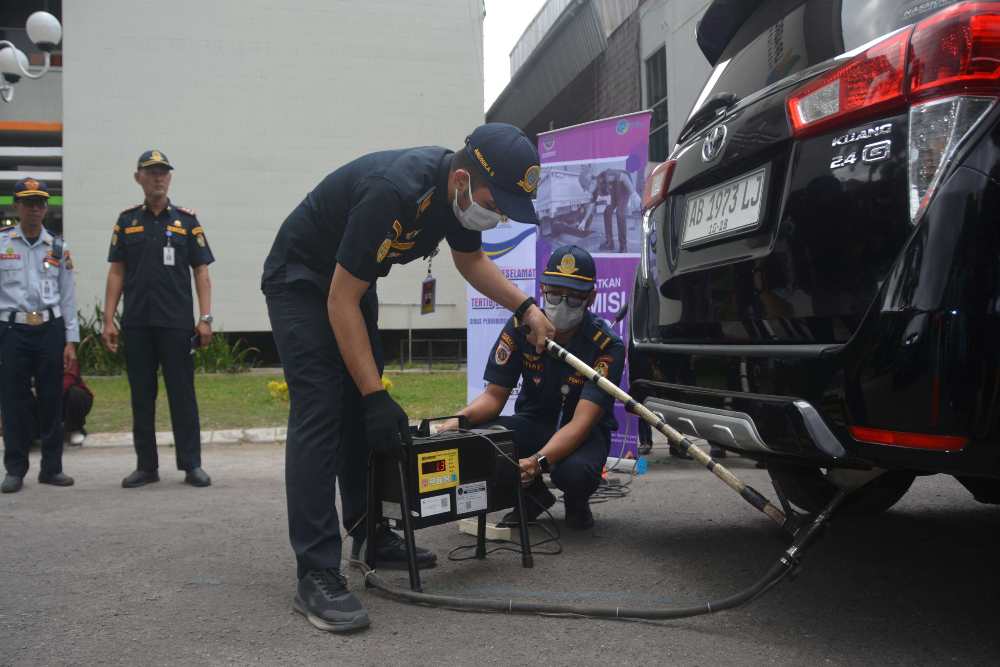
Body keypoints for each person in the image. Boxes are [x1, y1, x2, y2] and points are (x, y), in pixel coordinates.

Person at [261, 123, 556, 633]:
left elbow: (470, 259)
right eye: (499, 199)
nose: (501, 211)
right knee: (324, 406)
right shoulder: (393, 190)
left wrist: (525, 306)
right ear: (464, 176)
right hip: (302, 279)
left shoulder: (458, 196)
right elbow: (338, 300)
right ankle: (315, 572)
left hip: (351, 283)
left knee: (363, 402)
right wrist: (375, 395)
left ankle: (368, 532)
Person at [442, 245, 624, 530]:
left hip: (582, 434)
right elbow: (493, 396)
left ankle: (577, 502)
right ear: (542, 289)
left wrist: (538, 462)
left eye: (575, 296)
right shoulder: (520, 327)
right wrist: (457, 421)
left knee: (572, 473)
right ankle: (533, 497)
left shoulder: (606, 346)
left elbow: (581, 422)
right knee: (481, 441)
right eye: (554, 293)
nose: (562, 303)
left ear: (591, 298)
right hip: (534, 423)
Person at [101, 150, 214, 489]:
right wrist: (109, 320)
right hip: (137, 324)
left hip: (176, 323)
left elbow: (202, 272)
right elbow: (116, 273)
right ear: (139, 178)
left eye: (163, 172)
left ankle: (191, 464)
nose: (158, 178)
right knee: (141, 396)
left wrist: (205, 318)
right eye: (151, 173)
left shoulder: (186, 221)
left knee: (182, 395)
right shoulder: (126, 221)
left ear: (170, 177)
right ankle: (146, 466)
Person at [0, 178, 78, 494]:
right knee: (14, 401)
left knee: (51, 399)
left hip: (49, 329)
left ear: (46, 208)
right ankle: (15, 469)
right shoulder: (3, 244)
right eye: (29, 202)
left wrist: (70, 340)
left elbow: (69, 297)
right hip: (12, 329)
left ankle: (52, 468)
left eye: (40, 203)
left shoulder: (58, 247)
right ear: (16, 205)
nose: (35, 208)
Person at [578, 167, 639, 252]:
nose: (586, 191)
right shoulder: (594, 191)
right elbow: (591, 205)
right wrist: (584, 221)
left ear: (591, 182)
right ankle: (610, 243)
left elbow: (624, 177)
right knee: (607, 212)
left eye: (586, 188)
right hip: (614, 193)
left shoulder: (605, 175)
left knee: (619, 213)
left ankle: (623, 246)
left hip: (624, 187)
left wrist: (634, 194)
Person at [62, 357, 93, 446]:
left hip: (60, 396)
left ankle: (74, 429)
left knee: (76, 394)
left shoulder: (67, 349)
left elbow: (71, 376)